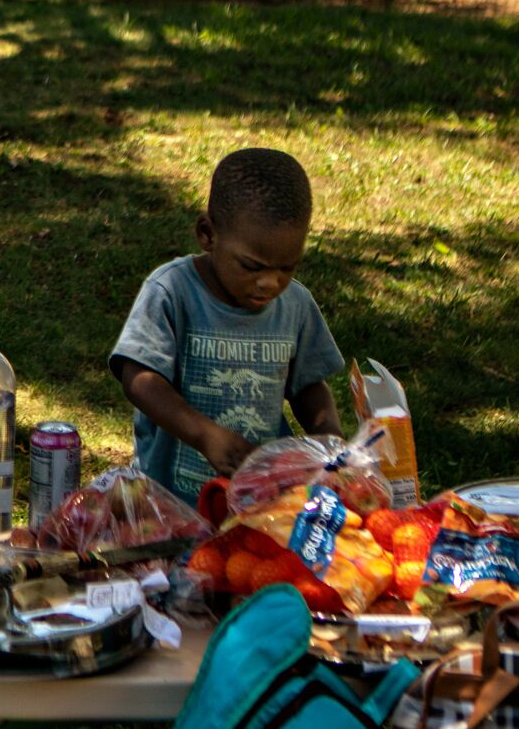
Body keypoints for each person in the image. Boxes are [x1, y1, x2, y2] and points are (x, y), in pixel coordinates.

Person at [108, 148, 344, 505]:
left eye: (287, 268)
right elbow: (139, 379)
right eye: (252, 266)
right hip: (170, 501)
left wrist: (334, 447)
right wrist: (204, 435)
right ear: (207, 234)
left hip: (257, 499)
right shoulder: (172, 291)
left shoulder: (294, 305)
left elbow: (308, 387)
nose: (270, 283)